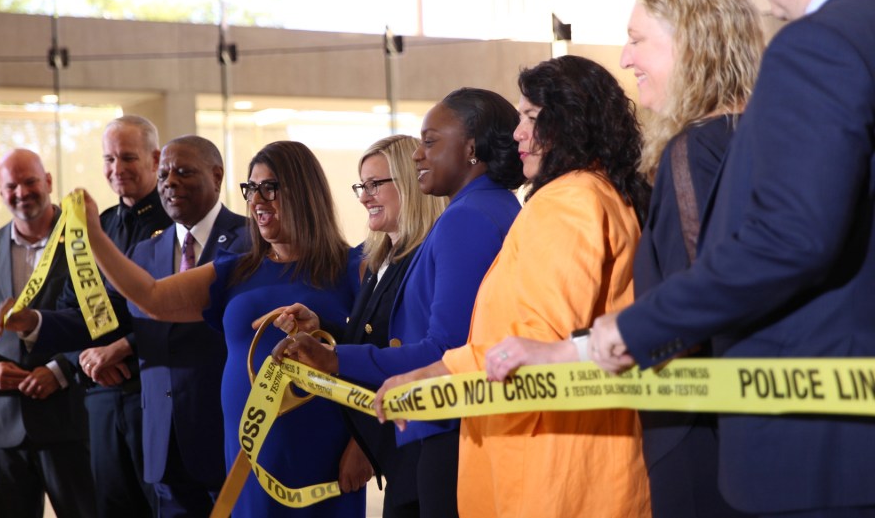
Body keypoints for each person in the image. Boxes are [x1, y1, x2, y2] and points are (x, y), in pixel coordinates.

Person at [590, 0, 875, 515]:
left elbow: (781, 244)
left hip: (792, 451)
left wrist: (608, 341)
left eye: (638, 39)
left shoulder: (816, 48)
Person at [375, 56, 653, 517]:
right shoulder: (599, 194)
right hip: (576, 459)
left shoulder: (569, 201)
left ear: (568, 122)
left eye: (530, 118)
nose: (518, 133)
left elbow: (535, 343)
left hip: (553, 469)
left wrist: (427, 375)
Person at [75, 140, 366, 518]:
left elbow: (377, 359)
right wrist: (94, 236)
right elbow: (151, 298)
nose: (257, 200)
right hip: (248, 446)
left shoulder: (354, 267)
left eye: (270, 187)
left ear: (304, 191)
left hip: (325, 445)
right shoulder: (235, 269)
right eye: (251, 189)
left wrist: (364, 446)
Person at [275, 88, 525, 518]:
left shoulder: (465, 218)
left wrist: (336, 360)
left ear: (470, 149)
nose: (417, 156)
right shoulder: (494, 207)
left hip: (446, 429)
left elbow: (445, 351)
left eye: (429, 142)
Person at [1, 135, 250, 517]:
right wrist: (33, 321)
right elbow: (104, 317)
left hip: (226, 434)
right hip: (163, 439)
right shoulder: (145, 251)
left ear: (217, 176)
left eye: (184, 172)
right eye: (164, 173)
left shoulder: (251, 242)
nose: (170, 182)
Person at [620, 0, 763, 518]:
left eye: (637, 40)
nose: (627, 58)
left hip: (695, 431)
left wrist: (589, 347)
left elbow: (692, 305)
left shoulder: (693, 149)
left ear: (691, 42)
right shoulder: (760, 139)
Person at [265, 134, 447, 513]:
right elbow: (374, 337)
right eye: (361, 186)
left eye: (375, 185)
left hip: (422, 442)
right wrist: (322, 325)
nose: (365, 197)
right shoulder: (382, 258)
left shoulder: (427, 256)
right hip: (397, 450)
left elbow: (419, 351)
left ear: (411, 185)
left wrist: (334, 356)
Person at [2, 115, 170, 518]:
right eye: (108, 159)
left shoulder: (176, 222)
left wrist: (120, 350)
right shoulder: (98, 225)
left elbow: (169, 309)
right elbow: (71, 305)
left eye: (127, 157)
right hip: (98, 398)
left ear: (154, 158)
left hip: (154, 393)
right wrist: (47, 331)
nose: (116, 168)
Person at [0, 149, 96, 518]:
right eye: (11, 185)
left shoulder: (86, 244)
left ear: (48, 181)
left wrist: (61, 369)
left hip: (72, 420)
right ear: (0, 192)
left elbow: (100, 321)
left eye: (30, 181)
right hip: (2, 429)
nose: (22, 192)